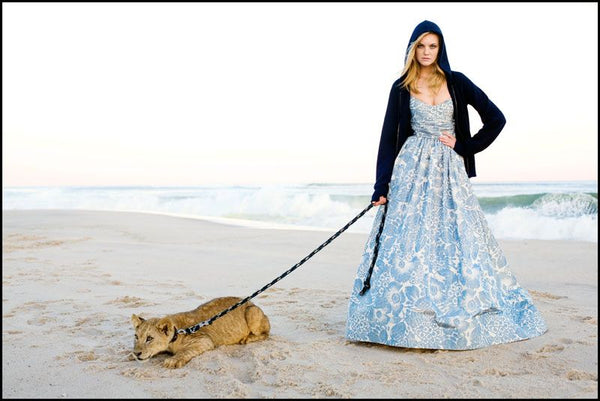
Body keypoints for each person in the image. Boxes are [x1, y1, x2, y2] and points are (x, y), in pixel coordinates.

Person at [345, 20, 547, 350]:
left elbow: (496, 119)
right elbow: (388, 141)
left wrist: (466, 146)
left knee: (456, 239)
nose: (427, 52)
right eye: (421, 46)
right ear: (412, 49)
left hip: (449, 173)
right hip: (410, 172)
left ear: (441, 49)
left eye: (433, 46)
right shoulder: (400, 88)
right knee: (410, 243)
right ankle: (408, 312)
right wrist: (381, 186)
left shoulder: (457, 82)